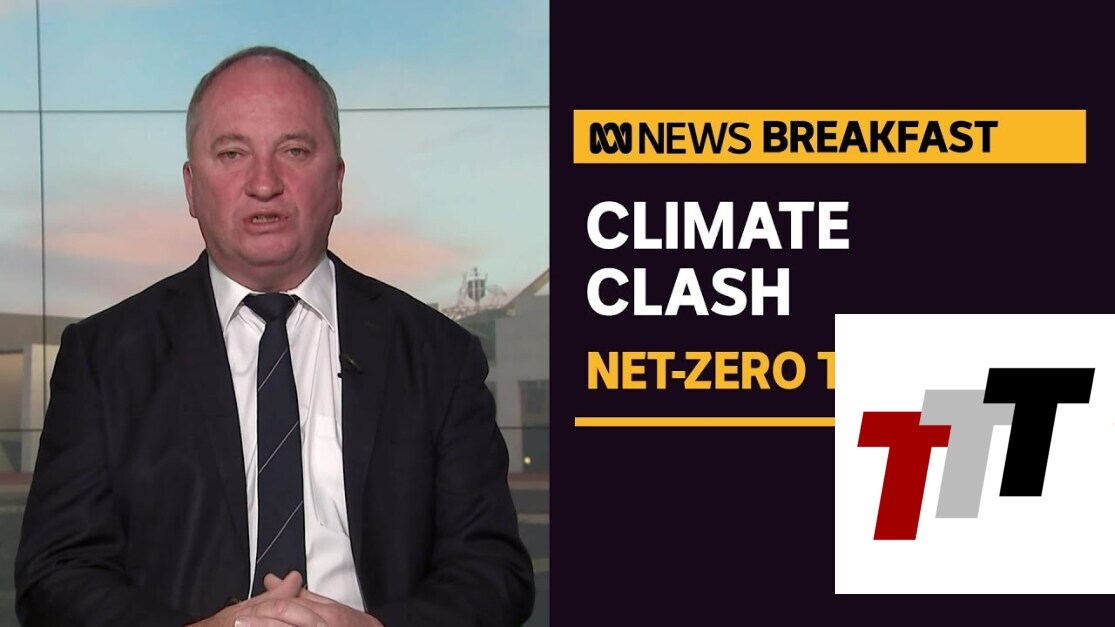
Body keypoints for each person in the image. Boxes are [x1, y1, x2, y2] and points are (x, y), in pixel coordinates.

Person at [14, 46, 535, 626]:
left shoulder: (438, 355)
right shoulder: (104, 359)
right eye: (232, 153)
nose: (264, 184)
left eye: (294, 151)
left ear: (337, 182)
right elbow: (54, 573)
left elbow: (493, 571)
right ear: (191, 188)